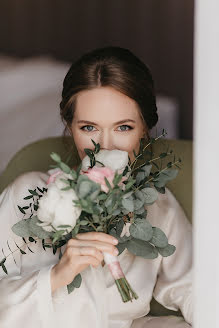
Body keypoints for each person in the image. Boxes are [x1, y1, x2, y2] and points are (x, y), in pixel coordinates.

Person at [0, 46, 192, 328]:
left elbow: (194, 289)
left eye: (123, 127)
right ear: (70, 126)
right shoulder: (28, 194)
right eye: (89, 127)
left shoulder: (156, 205)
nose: (106, 145)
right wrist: (56, 275)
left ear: (145, 129)